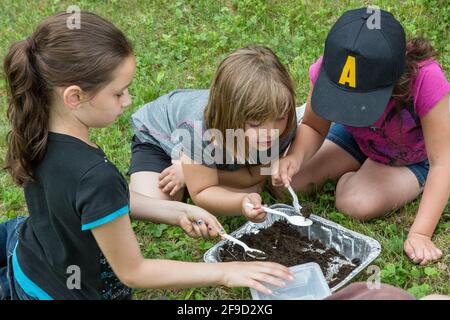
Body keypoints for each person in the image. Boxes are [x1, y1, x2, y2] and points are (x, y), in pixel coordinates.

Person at [0, 12, 293, 300]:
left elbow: (97, 205)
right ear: (74, 97)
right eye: (119, 93)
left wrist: (177, 212)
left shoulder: (38, 133)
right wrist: (225, 273)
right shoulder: (94, 176)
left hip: (29, 254)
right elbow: (135, 272)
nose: (128, 101)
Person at [272, 8, 450, 266]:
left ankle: (365, 173)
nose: (353, 107)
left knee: (354, 202)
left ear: (397, 77)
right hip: (358, 138)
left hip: (411, 157)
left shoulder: (426, 79)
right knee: (286, 185)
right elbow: (313, 124)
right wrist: (296, 157)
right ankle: (361, 166)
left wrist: (420, 233)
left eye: (361, 102)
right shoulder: (335, 66)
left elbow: (443, 162)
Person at [129, 46, 298, 223]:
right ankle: (193, 171)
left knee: (252, 188)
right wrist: (240, 201)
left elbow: (257, 174)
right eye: (255, 123)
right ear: (228, 116)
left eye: (280, 118)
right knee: (159, 204)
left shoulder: (283, 121)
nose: (270, 133)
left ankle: (195, 171)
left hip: (214, 155)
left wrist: (192, 172)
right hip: (161, 141)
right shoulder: (199, 129)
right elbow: (202, 192)